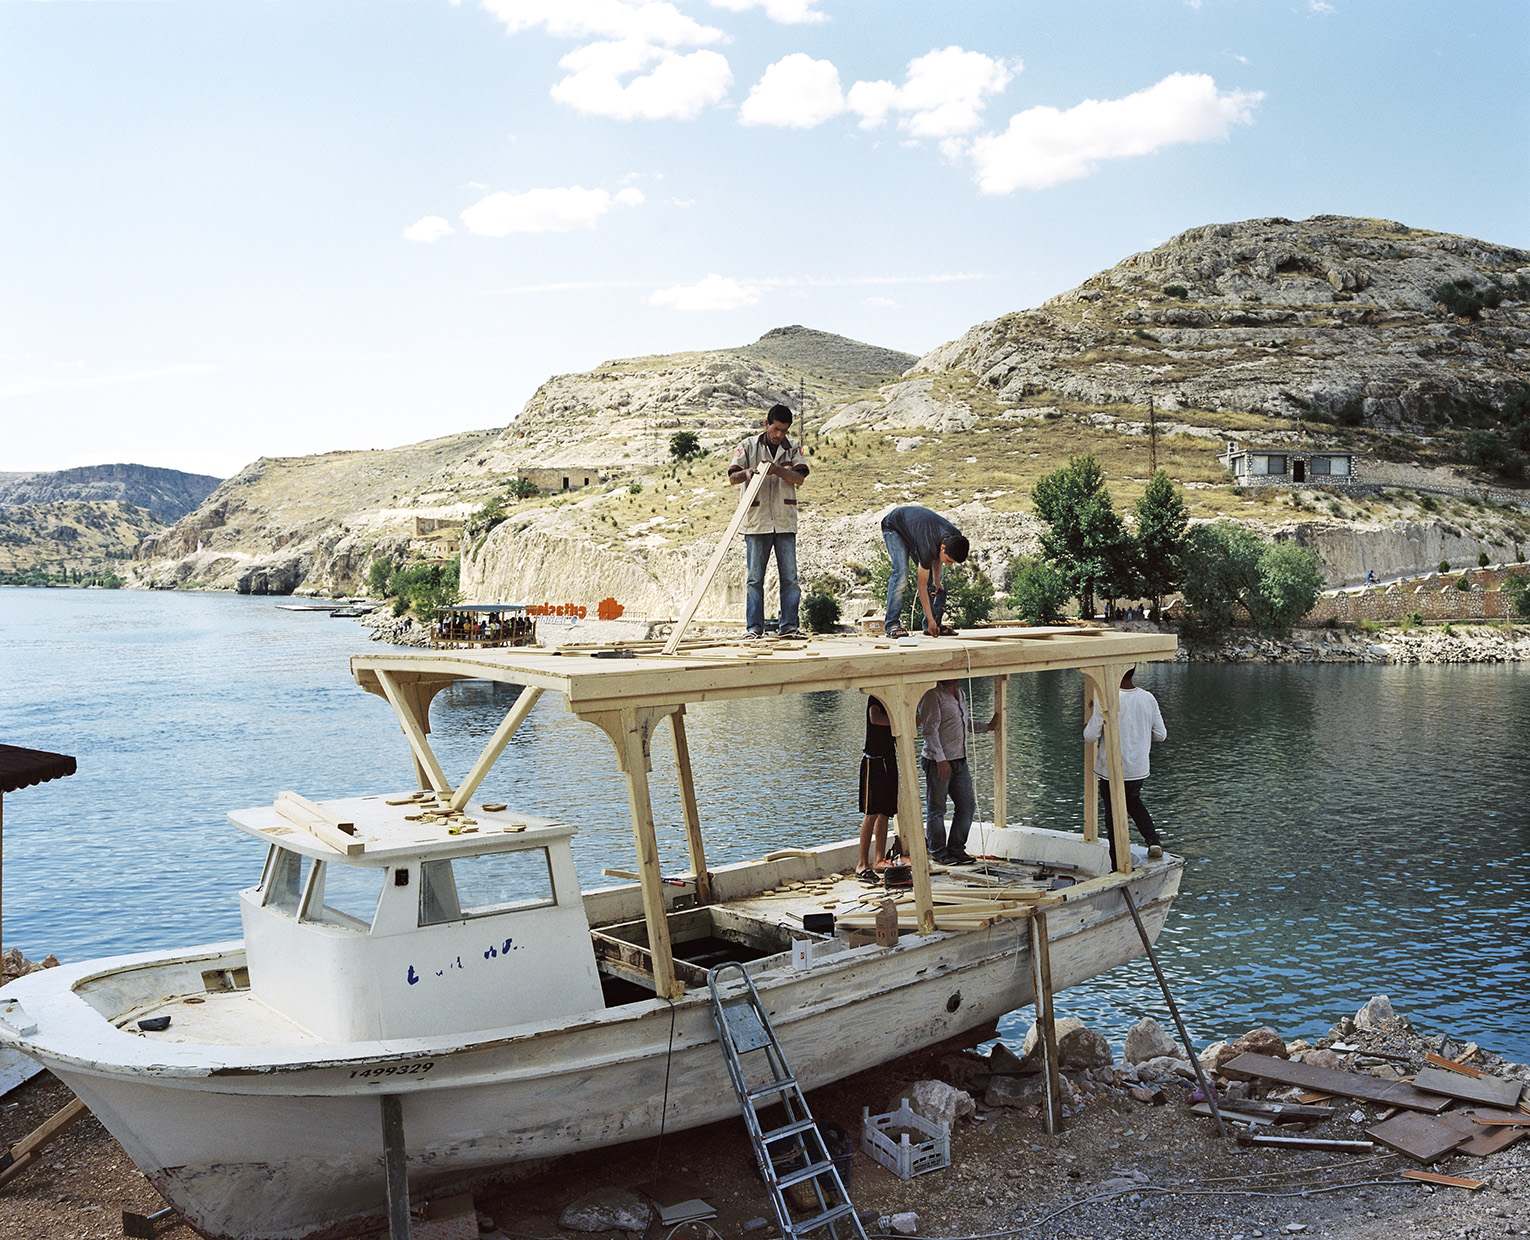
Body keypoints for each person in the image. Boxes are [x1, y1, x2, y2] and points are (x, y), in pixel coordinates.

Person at [729, 405, 810, 638]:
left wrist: (776, 470)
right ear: (767, 424)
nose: (779, 435)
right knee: (755, 578)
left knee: (790, 578)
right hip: (757, 521)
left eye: (784, 431)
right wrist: (746, 474)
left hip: (784, 521)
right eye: (776, 429)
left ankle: (790, 627)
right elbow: (733, 477)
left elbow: (799, 478)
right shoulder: (747, 446)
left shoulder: (793, 448)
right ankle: (754, 629)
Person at [1082, 667, 1167, 868]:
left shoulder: (1106, 699)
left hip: (1110, 770)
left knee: (1113, 818)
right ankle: (1153, 840)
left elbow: (1090, 736)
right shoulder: (1148, 698)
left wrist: (1088, 725)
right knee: (1133, 802)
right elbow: (1161, 734)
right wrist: (1141, 735)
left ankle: (1117, 865)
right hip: (1138, 769)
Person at [918, 679, 998, 866]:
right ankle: (938, 852)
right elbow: (930, 730)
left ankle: (956, 848)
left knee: (967, 806)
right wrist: (941, 760)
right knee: (937, 809)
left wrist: (987, 727)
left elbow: (963, 723)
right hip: (938, 761)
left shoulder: (960, 693)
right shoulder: (932, 695)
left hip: (959, 760)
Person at [880, 505, 969, 637]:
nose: (949, 565)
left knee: (934, 582)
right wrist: (931, 618)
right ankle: (892, 624)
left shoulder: (955, 538)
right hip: (894, 527)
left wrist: (937, 581)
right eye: (949, 561)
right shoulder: (927, 546)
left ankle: (932, 626)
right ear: (943, 548)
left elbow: (938, 558)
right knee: (902, 574)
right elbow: (921, 587)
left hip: (916, 530)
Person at [855, 696, 897, 883]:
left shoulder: (893, 697)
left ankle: (879, 859)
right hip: (874, 760)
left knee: (885, 811)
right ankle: (861, 864)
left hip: (889, 758)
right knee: (871, 812)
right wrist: (900, 720)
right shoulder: (876, 697)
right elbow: (875, 718)